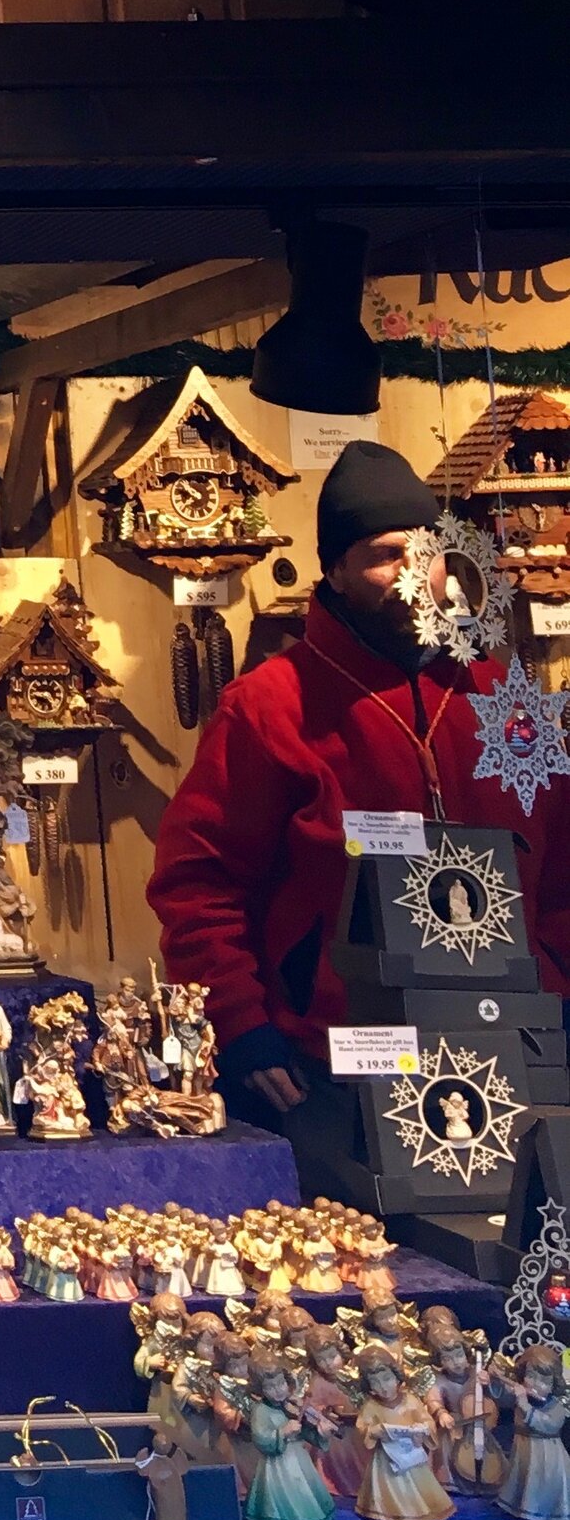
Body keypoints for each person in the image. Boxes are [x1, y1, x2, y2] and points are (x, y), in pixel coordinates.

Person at [147, 440, 570, 1161]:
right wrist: (240, 1022)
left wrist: (559, 992)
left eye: (427, 552)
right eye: (384, 554)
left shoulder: (505, 698)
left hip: (511, 1047)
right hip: (335, 1064)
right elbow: (199, 884)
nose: (413, 576)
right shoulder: (269, 708)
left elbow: (560, 870)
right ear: (335, 571)